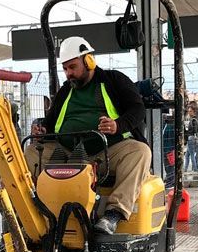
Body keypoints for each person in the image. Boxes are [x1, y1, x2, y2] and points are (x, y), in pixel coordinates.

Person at [27, 36, 148, 235]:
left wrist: (117, 125)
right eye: (65, 69)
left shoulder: (114, 80)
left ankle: (113, 214)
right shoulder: (67, 90)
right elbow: (50, 121)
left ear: (89, 61)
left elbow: (137, 109)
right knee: (31, 153)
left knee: (140, 152)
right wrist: (41, 130)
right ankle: (30, 217)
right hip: (65, 152)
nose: (68, 74)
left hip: (105, 153)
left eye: (72, 67)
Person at [183, 107, 198, 172]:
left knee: (192, 154)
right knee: (187, 155)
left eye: (190, 111)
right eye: (188, 111)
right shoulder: (193, 119)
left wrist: (188, 131)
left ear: (193, 111)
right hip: (191, 138)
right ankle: (185, 169)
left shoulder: (193, 120)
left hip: (191, 138)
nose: (189, 112)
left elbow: (195, 130)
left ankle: (195, 169)